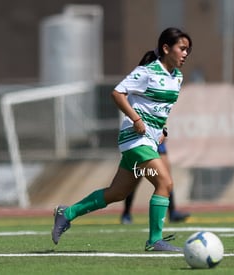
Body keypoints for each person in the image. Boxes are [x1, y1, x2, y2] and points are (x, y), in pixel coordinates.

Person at [51, 27, 192, 252]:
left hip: (150, 141)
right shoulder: (147, 71)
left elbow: (158, 107)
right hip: (136, 139)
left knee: (118, 192)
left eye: (188, 50)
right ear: (166, 48)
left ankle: (67, 213)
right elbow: (117, 93)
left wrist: (162, 129)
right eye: (182, 48)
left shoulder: (177, 77)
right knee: (164, 183)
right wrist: (136, 119)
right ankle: (155, 240)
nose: (185, 54)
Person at [121, 141, 190, 224]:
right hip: (142, 141)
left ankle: (172, 213)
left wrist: (163, 131)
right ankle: (126, 213)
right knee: (134, 179)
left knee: (166, 179)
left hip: (158, 142)